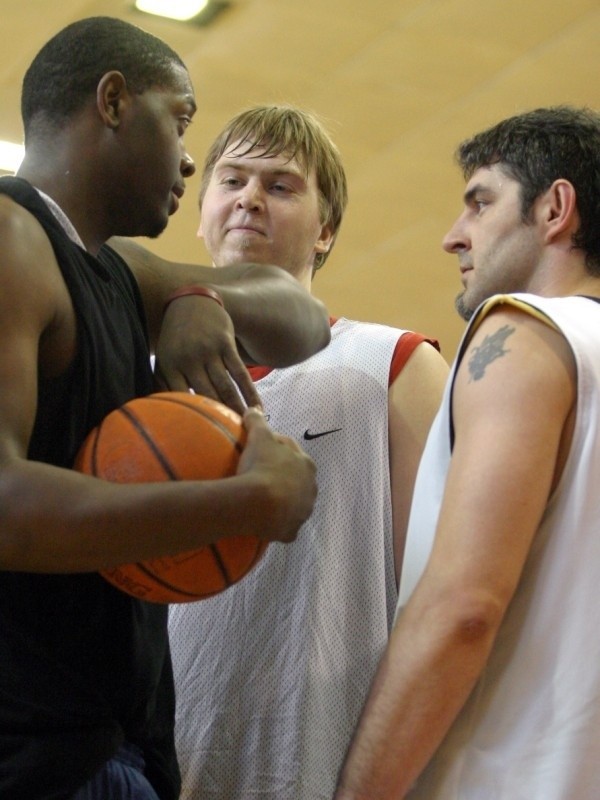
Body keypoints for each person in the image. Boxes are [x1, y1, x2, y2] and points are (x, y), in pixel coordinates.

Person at [0, 18, 332, 800]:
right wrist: (245, 500)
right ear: (113, 100)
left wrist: (194, 296)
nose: (189, 156)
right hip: (28, 756)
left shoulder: (113, 268)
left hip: (118, 746)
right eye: (179, 118)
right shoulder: (11, 241)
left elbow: (301, 317)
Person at [114, 105, 447, 800]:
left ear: (326, 230)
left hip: (315, 753)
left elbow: (437, 591)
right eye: (231, 180)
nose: (250, 199)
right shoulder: (128, 376)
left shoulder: (390, 362)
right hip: (148, 758)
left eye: (282, 185)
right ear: (201, 212)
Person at [334, 105, 600, 800]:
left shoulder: (524, 331)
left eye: (480, 203)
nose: (454, 237)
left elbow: (464, 604)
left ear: (555, 209)